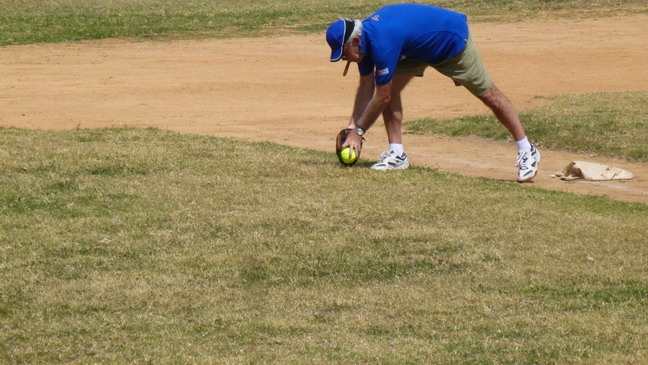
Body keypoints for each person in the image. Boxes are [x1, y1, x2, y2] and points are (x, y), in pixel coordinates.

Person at [326, 3, 540, 182]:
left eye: (343, 54)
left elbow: (382, 97)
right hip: (415, 50)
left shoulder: (382, 43)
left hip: (449, 42)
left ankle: (526, 149)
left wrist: (359, 133)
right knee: (388, 86)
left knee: (489, 96)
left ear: (354, 41)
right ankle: (397, 154)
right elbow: (366, 86)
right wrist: (351, 128)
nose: (344, 60)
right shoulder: (363, 45)